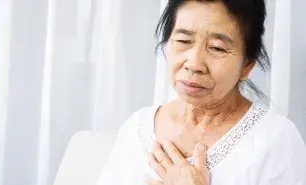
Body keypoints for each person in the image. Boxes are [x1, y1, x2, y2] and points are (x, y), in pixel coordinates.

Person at [96, 0, 306, 185]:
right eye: (183, 41)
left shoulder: (275, 140)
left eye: (217, 48)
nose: (194, 63)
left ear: (247, 66)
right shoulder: (136, 130)